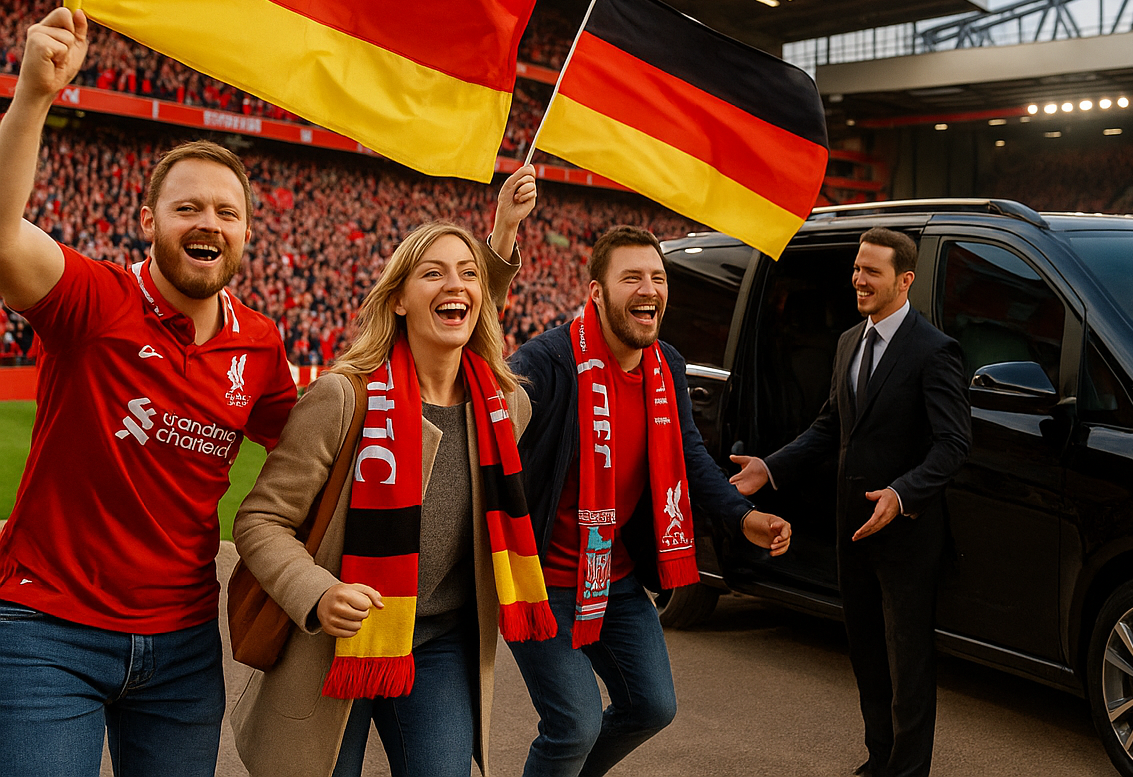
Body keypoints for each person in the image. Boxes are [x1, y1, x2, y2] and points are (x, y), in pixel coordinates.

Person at [0, 8, 299, 777]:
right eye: (188, 207)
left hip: (183, 644)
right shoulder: (94, 301)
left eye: (226, 212)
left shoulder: (261, 346)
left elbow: (323, 446)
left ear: (245, 235)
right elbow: (2, 239)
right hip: (47, 630)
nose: (209, 222)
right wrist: (33, 96)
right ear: (149, 222)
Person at [230, 167, 554, 777]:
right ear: (399, 299)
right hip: (330, 641)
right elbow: (260, 520)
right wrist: (318, 593)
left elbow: (473, 321)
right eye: (431, 272)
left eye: (466, 274)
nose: (453, 286)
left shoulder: (503, 408)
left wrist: (504, 233)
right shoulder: (342, 399)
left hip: (438, 643)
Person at [507, 225, 793, 777]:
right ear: (597, 292)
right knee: (575, 724)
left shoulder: (668, 366)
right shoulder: (546, 362)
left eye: (658, 277)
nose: (649, 289)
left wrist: (744, 517)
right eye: (631, 277)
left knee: (652, 707)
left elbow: (689, 459)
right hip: (541, 582)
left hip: (617, 578)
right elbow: (493, 436)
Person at [730, 227, 971, 777]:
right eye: (857, 268)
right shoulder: (847, 342)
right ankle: (878, 758)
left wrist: (903, 492)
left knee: (907, 660)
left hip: (907, 533)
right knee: (865, 651)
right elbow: (828, 426)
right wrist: (770, 466)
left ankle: (907, 770)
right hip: (851, 526)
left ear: (904, 280)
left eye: (872, 271)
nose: (858, 279)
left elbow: (954, 444)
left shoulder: (935, 351)